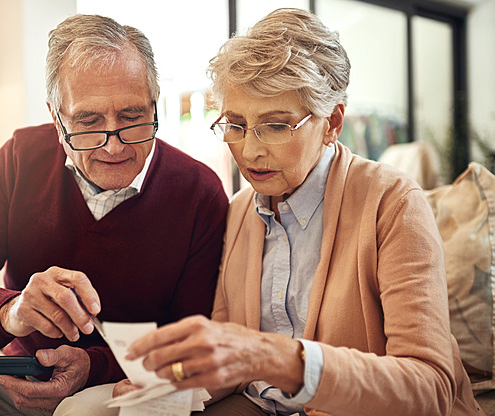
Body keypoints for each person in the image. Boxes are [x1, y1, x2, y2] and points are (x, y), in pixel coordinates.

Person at [121, 8, 486, 416]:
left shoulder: (394, 203)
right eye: (236, 125)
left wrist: (278, 358)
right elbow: (234, 362)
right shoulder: (240, 210)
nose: (250, 150)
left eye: (276, 126)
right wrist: (168, 378)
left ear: (332, 123)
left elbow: (429, 387)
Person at [0, 13, 228, 416]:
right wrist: (11, 310)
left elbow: (190, 342)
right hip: (21, 377)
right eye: (88, 122)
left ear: (154, 104)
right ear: (57, 118)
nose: (114, 146)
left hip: (122, 383)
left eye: (132, 117)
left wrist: (91, 366)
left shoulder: (200, 192)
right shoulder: (22, 158)